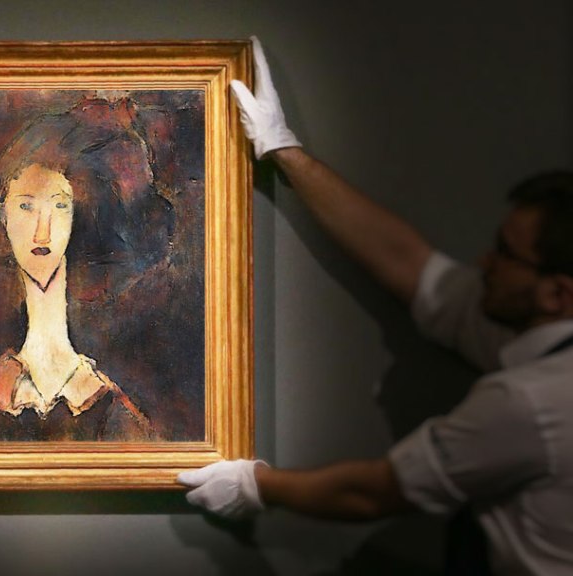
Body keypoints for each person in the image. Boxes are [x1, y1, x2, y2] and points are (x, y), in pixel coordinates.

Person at [178, 37, 573, 575]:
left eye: (505, 253)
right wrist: (282, 149)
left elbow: (375, 493)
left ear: (558, 293)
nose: (485, 262)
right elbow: (408, 264)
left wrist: (257, 485)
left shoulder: (533, 401)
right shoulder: (530, 342)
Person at [0, 97, 163, 442]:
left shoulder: (119, 419)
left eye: (60, 206)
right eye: (26, 206)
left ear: (79, 216)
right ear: (2, 213)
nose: (42, 231)